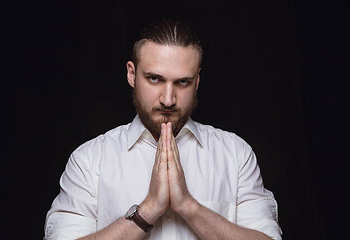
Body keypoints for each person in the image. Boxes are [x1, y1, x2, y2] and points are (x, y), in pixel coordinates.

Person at [44, 19, 282, 240]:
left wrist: (189, 207)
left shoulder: (236, 155)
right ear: (131, 74)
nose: (168, 100)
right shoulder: (89, 160)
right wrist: (147, 211)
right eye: (155, 79)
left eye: (182, 82)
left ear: (197, 80)